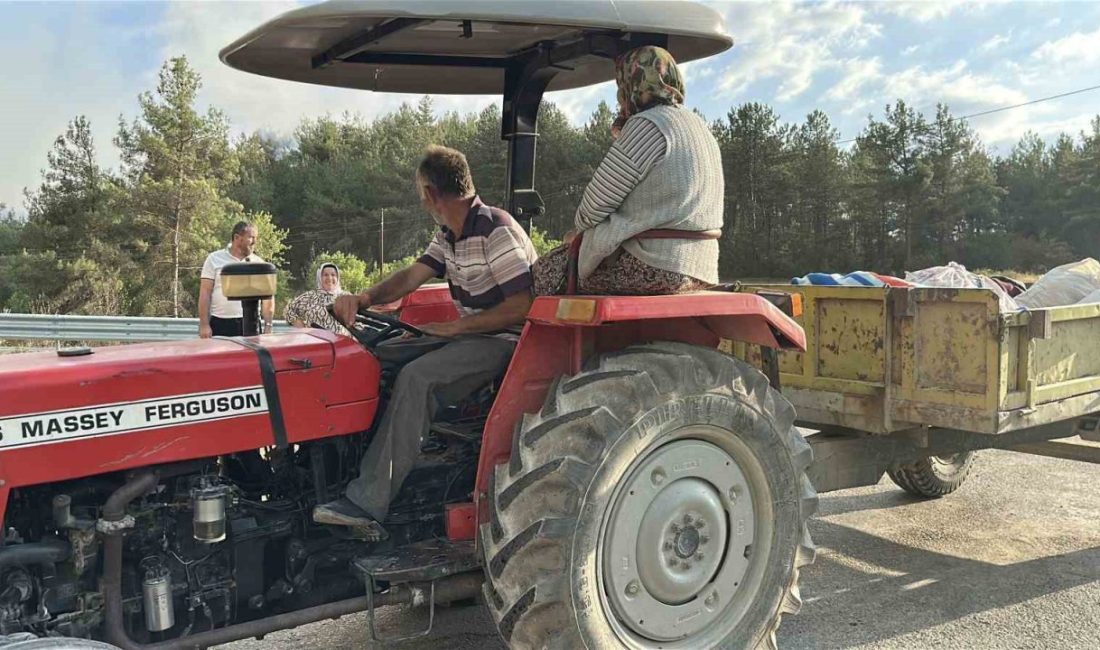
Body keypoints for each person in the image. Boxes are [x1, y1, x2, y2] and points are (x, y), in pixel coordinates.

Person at [313, 145, 537, 540]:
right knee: (377, 356)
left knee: (418, 377)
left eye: (421, 193)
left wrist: (457, 329)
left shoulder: (495, 229)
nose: (421, 201)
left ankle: (368, 502)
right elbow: (411, 277)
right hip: (473, 334)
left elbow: (523, 306)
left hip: (508, 341)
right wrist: (363, 298)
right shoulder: (450, 235)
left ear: (431, 193)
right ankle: (345, 472)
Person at [532, 45, 723, 296]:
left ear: (632, 84)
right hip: (701, 268)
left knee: (541, 275)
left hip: (650, 265)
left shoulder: (648, 125)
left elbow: (593, 207)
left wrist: (578, 232)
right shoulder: (698, 126)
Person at [199, 222, 273, 338]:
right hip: (220, 323)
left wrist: (268, 325)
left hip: (251, 324)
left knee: (251, 351)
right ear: (237, 238)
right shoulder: (214, 259)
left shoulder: (259, 263)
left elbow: (268, 298)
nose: (254, 242)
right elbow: (205, 293)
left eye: (256, 238)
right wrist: (204, 325)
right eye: (251, 237)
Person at [284, 263, 348, 334]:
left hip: (341, 340)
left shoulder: (346, 297)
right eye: (325, 275)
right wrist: (300, 326)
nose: (329, 278)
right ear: (319, 277)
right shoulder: (310, 296)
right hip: (314, 339)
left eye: (333, 275)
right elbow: (289, 310)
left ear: (338, 277)